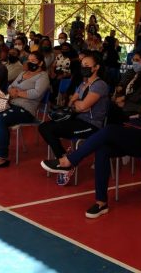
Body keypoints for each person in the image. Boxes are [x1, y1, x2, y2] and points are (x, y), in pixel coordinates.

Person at [41, 56, 141, 217]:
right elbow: (125, 105)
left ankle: (69, 161)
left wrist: (140, 111)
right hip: (136, 130)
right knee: (103, 149)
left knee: (109, 130)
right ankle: (101, 202)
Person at [39, 53, 108, 185]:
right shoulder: (83, 84)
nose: (83, 67)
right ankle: (65, 160)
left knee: (51, 129)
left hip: (91, 125)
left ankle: (65, 164)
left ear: (96, 67)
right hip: (78, 119)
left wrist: (80, 104)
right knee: (44, 127)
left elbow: (83, 106)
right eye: (82, 65)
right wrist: (79, 104)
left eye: (87, 65)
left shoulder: (100, 85)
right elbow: (73, 103)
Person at [0, 51, 50, 168]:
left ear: (41, 63)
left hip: (25, 108)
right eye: (29, 60)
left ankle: (2, 157)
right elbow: (10, 86)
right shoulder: (23, 73)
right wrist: (13, 91)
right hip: (9, 101)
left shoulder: (43, 76)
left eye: (34, 61)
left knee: (1, 120)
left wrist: (19, 93)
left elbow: (36, 93)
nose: (30, 63)